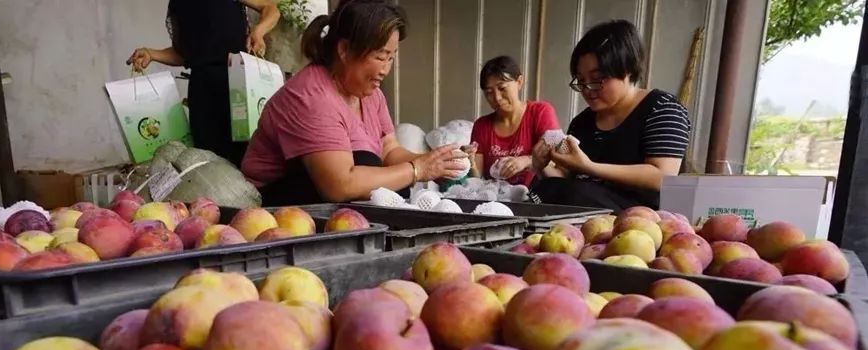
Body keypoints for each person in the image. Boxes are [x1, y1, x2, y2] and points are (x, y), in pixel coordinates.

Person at [241, 0, 464, 204]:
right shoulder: (311, 97)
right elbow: (340, 186)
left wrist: (438, 163)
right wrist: (416, 170)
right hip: (272, 202)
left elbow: (388, 151)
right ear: (345, 50)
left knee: (391, 180)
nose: (385, 69)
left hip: (328, 189)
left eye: (391, 57)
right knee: (374, 171)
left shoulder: (370, 93)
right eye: (380, 56)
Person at [530, 20, 691, 211]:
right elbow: (564, 181)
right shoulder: (582, 122)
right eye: (581, 81)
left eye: (598, 79)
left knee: (578, 193)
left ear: (628, 70)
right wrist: (541, 166)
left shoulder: (662, 108)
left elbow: (662, 177)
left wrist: (589, 167)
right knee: (544, 188)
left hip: (641, 220)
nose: (588, 89)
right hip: (586, 216)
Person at [127, 0, 281, 167]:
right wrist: (152, 54)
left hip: (239, 85)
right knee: (208, 161)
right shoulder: (179, 5)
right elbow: (185, 55)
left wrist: (258, 32)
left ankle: (253, 192)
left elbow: (271, 9)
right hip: (203, 91)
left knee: (247, 155)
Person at [468, 56, 560, 187]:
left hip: (535, 197)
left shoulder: (540, 112)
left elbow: (556, 165)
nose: (497, 98)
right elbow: (477, 180)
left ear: (519, 82)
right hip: (496, 201)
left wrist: (526, 161)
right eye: (489, 92)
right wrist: (469, 163)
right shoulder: (481, 126)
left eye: (502, 88)